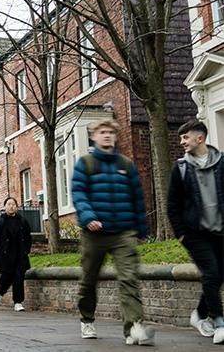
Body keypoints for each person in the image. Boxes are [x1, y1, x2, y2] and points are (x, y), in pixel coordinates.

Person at [71, 119, 154, 346]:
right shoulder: (85, 164)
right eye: (102, 132)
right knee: (89, 279)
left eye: (110, 132)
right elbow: (79, 194)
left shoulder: (126, 164)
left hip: (123, 232)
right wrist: (88, 218)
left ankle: (134, 327)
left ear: (115, 137)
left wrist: (141, 228)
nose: (107, 136)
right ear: (94, 137)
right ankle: (87, 318)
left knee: (129, 278)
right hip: (94, 233)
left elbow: (137, 197)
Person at [167, 119, 224, 342]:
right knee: (211, 273)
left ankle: (199, 314)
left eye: (185, 137)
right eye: (181, 138)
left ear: (200, 138)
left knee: (219, 275)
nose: (182, 142)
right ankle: (218, 322)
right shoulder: (181, 168)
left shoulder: (222, 163)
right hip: (195, 233)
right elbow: (173, 205)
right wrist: (181, 233)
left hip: (220, 231)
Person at [0, 197, 32, 312]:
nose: (11, 206)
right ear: (4, 207)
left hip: (20, 254)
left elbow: (28, 237)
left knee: (19, 277)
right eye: (8, 204)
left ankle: (18, 302)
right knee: (6, 277)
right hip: (5, 255)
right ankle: (0, 292)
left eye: (13, 204)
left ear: (16, 207)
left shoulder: (22, 221)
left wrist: (26, 250)